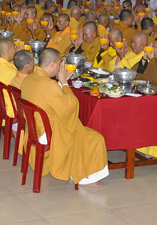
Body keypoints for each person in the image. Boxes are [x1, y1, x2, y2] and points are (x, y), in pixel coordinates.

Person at [21, 48, 109, 187]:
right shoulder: (49, 85)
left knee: (79, 129)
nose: (60, 69)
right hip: (48, 132)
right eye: (60, 65)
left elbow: (50, 97)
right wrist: (64, 83)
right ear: (53, 65)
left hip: (34, 129)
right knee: (94, 137)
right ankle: (86, 178)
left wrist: (62, 83)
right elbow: (70, 106)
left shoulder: (30, 78)